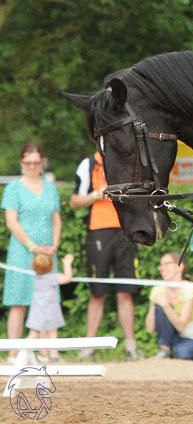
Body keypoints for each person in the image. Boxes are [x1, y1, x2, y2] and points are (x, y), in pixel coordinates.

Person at [69, 149, 143, 362]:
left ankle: (131, 348)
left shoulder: (128, 159)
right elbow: (74, 202)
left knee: (125, 292)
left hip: (125, 231)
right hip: (98, 231)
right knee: (97, 293)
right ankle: (88, 349)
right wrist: (96, 194)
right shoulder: (88, 164)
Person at [2, 143, 61, 342]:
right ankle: (14, 351)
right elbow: (11, 221)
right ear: (22, 163)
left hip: (47, 253)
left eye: (36, 162)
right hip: (22, 251)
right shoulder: (13, 188)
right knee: (19, 302)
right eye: (28, 162)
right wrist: (32, 246)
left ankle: (46, 351)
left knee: (47, 302)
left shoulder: (50, 188)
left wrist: (54, 244)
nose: (32, 166)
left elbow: (56, 219)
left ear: (41, 163)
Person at [146, 253, 193, 360]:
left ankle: (170, 353)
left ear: (180, 266)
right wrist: (154, 304)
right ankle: (165, 350)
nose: (162, 268)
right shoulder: (158, 289)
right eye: (161, 265)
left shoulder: (190, 289)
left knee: (182, 352)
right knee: (160, 308)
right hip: (173, 340)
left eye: (167, 264)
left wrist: (165, 305)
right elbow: (150, 329)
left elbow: (181, 326)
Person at [26, 252, 74, 363]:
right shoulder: (52, 278)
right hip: (50, 310)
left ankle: (23, 351)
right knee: (52, 332)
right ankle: (54, 355)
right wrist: (67, 263)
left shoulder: (35, 277)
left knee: (33, 333)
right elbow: (67, 278)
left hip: (37, 311)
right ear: (51, 266)